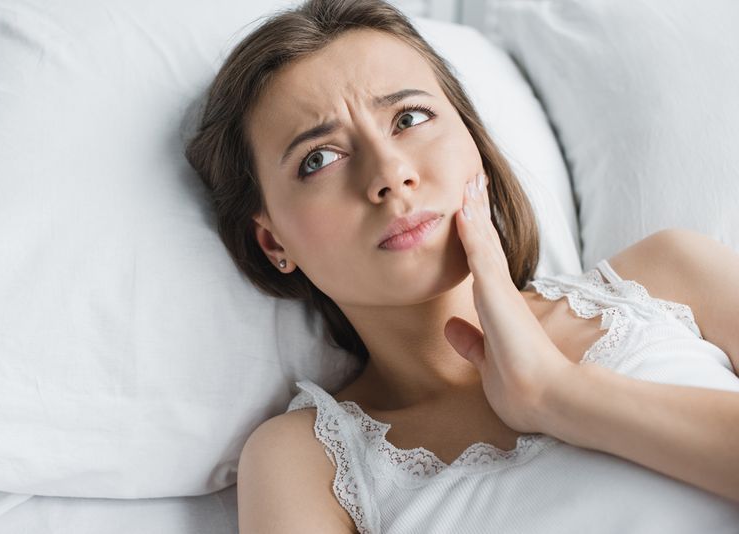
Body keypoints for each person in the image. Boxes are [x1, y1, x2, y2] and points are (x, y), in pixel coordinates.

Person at [183, 0, 739, 532]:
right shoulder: (305, 463)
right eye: (319, 159)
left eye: (410, 117)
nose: (390, 173)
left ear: (474, 140)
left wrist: (557, 395)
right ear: (272, 241)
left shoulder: (669, 277)